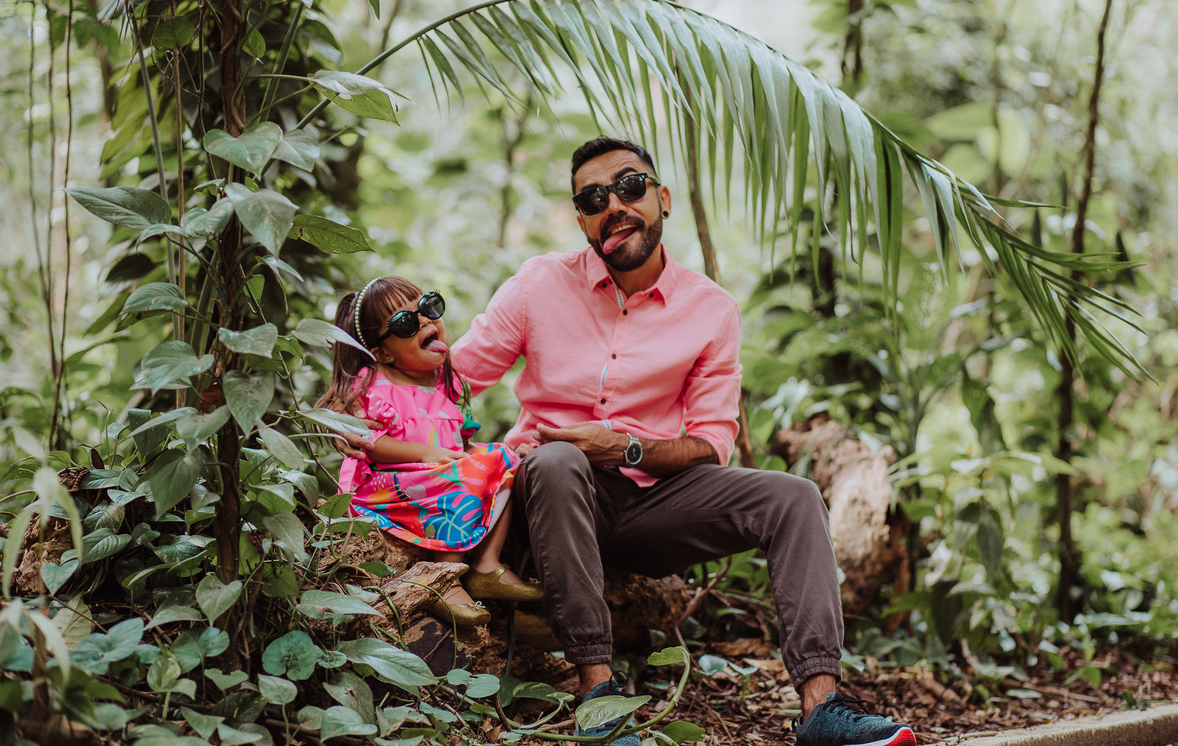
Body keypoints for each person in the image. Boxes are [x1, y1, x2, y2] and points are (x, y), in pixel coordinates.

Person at [450, 137, 917, 746]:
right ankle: (598, 695)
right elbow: (453, 377)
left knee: (795, 496)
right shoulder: (540, 284)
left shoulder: (711, 309)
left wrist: (621, 448)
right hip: (551, 497)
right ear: (583, 219)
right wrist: (372, 386)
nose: (614, 204)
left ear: (662, 198)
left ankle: (821, 709)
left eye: (630, 186)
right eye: (594, 198)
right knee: (560, 458)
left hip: (649, 501)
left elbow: (711, 443)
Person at [318, 276, 543, 628]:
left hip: (437, 478)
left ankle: (486, 564)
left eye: (427, 307)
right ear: (384, 352)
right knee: (459, 474)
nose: (424, 320)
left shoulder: (448, 385)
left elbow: (457, 445)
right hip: (389, 487)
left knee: (503, 458)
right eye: (405, 323)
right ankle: (444, 577)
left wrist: (496, 453)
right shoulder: (375, 383)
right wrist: (426, 454)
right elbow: (372, 444)